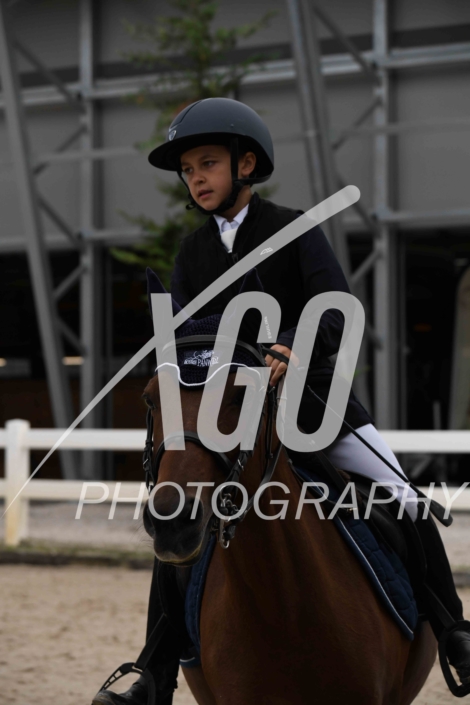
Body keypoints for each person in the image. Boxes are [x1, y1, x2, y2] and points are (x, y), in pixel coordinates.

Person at [93, 98, 470, 704]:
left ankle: (454, 633)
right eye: (188, 170)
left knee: (402, 497)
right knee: (177, 521)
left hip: (312, 407)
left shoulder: (296, 229)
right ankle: (155, 674)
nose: (197, 179)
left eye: (208, 164)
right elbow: (189, 340)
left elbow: (337, 307)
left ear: (246, 164)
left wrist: (292, 342)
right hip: (228, 419)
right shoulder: (192, 253)